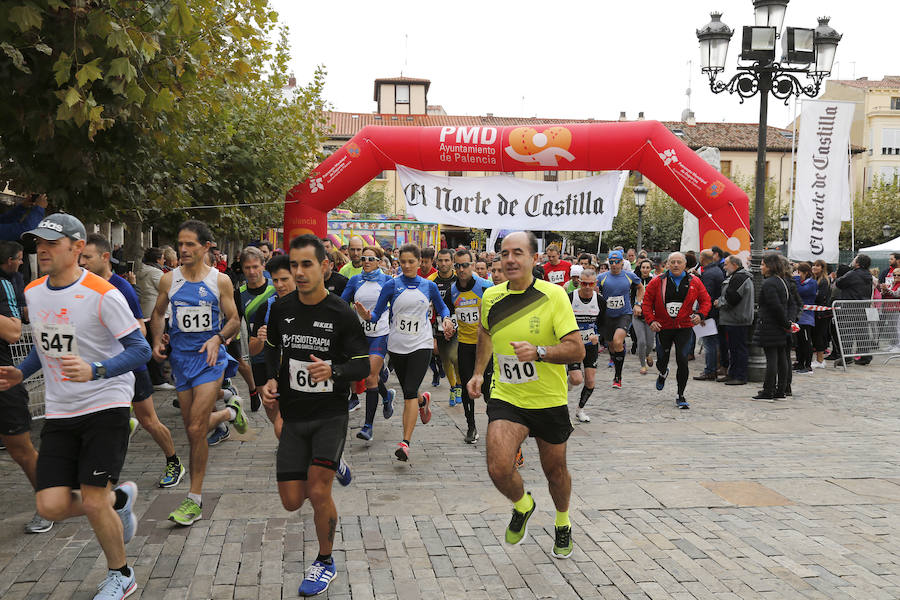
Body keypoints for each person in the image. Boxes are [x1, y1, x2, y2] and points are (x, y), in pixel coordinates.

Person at [0, 213, 150, 598]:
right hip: (61, 410)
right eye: (39, 243)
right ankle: (120, 499)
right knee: (50, 505)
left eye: (51, 243)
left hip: (107, 403)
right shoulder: (34, 291)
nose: (42, 250)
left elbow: (140, 349)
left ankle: (122, 574)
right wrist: (21, 372)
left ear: (77, 247)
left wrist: (97, 369)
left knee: (93, 497)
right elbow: (46, 344)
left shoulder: (103, 293)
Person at [259, 235, 367, 596]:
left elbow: (362, 365)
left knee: (319, 490)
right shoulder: (281, 308)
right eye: (295, 265)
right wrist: (270, 379)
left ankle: (324, 561)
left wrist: (333, 371)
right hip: (293, 416)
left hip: (330, 415)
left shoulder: (341, 312)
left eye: (307, 264)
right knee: (292, 500)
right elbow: (272, 349)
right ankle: (332, 463)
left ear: (325, 266)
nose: (300, 272)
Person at [466, 231, 583, 559]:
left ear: (534, 258)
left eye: (518, 253)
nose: (510, 259)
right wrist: (478, 372)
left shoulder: (553, 296)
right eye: (504, 253)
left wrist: (541, 352)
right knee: (498, 467)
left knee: (555, 471)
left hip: (548, 399)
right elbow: (486, 333)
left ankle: (562, 522)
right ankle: (523, 504)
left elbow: (576, 348)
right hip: (507, 397)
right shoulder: (491, 296)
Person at [150, 220, 246, 526]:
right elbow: (158, 313)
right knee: (197, 426)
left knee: (193, 429)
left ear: (206, 247)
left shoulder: (220, 281)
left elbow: (233, 318)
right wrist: (157, 338)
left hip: (210, 360)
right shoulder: (169, 280)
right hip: (181, 361)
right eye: (180, 244)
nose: (183, 249)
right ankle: (230, 413)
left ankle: (194, 499)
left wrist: (217, 338)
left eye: (190, 244)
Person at [81, 234, 184, 488]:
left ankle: (174, 462)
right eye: (79, 257)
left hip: (129, 368)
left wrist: (113, 333)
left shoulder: (121, 287)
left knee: (149, 421)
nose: (81, 262)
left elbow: (142, 331)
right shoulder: (80, 287)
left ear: (105, 258)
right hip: (98, 370)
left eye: (87, 257)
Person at [357, 244, 454, 461]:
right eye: (403, 262)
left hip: (421, 344)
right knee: (409, 388)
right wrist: (366, 316)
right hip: (397, 346)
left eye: (412, 261)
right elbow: (377, 315)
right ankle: (423, 401)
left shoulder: (428, 286)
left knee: (409, 390)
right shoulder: (391, 285)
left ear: (419, 262)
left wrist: (446, 319)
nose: (407, 265)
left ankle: (405, 443)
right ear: (398, 263)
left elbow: (443, 308)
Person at [0, 239, 49, 533]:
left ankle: (48, 503)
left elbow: (15, 332)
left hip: (4, 380)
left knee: (20, 449)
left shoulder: (3, 283)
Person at [642, 252, 711, 409]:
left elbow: (706, 300)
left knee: (682, 359)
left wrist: (700, 315)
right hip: (663, 327)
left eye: (679, 262)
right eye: (672, 262)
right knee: (662, 360)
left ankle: (681, 395)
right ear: (667, 264)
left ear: (685, 265)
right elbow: (647, 303)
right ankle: (662, 372)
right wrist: (651, 320)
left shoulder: (695, 281)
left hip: (684, 327)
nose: (675, 265)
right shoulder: (657, 282)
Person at [342, 246, 396, 441]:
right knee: (366, 375)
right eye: (363, 258)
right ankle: (386, 396)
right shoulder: (355, 280)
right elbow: (342, 303)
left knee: (370, 377)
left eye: (371, 259)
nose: (365, 261)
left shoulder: (388, 281)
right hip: (360, 335)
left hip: (380, 334)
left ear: (379, 261)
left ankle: (368, 427)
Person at [444, 248, 493, 443]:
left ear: (473, 266)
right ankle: (471, 426)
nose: (461, 269)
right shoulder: (452, 290)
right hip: (464, 345)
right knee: (466, 388)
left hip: (486, 346)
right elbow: (446, 312)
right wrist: (447, 323)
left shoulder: (486, 287)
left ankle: (494, 425)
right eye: (458, 266)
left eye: (465, 265)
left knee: (488, 389)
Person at [248, 255, 296, 439]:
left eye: (284, 279)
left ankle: (292, 449)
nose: (279, 285)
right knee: (273, 413)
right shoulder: (266, 307)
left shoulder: (310, 305)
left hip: (298, 370)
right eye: (275, 280)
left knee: (284, 422)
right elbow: (252, 350)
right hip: (267, 367)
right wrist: (260, 339)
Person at [235, 246, 276, 412]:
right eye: (247, 267)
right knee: (269, 405)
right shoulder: (239, 294)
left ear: (263, 266)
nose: (251, 272)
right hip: (257, 356)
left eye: (255, 267)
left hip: (279, 355)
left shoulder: (276, 288)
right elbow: (235, 322)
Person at [598, 250, 644, 389]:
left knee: (618, 342)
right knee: (611, 345)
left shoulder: (630, 276)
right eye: (611, 262)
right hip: (607, 316)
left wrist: (638, 303)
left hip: (624, 314)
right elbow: (594, 293)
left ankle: (618, 377)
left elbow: (640, 288)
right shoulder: (602, 277)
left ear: (622, 263)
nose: (614, 265)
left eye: (617, 262)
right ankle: (616, 355)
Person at [753, 254, 792, 400]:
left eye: (763, 264)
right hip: (779, 325)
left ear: (769, 266)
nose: (761, 267)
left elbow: (775, 306)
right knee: (781, 358)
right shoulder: (782, 281)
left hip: (771, 325)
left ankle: (769, 389)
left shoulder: (769, 283)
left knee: (772, 359)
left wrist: (785, 323)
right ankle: (780, 389)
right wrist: (787, 323)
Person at [567, 267, 604, 422]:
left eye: (590, 284)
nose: (587, 287)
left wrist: (599, 335)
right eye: (584, 284)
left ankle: (580, 410)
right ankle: (567, 381)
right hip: (574, 345)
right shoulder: (570, 298)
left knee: (589, 380)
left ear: (595, 283)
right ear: (579, 283)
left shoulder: (600, 300)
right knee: (576, 379)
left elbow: (604, 323)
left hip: (590, 345)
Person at [136, 247, 172, 389]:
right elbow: (167, 290)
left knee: (151, 344)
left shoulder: (140, 271)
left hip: (145, 312)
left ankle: (155, 377)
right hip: (157, 312)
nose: (164, 260)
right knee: (159, 344)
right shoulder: (156, 272)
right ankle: (159, 379)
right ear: (158, 259)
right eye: (163, 258)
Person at [428, 249, 461, 404]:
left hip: (459, 323)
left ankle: (459, 385)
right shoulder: (431, 280)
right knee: (445, 358)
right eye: (440, 260)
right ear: (437, 262)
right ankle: (453, 387)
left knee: (456, 357)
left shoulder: (459, 277)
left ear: (452, 262)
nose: (443, 264)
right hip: (439, 324)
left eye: (447, 260)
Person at [715, 255, 754, 385]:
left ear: (734, 265)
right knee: (734, 348)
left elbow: (732, 299)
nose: (724, 267)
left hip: (737, 319)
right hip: (735, 318)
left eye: (726, 264)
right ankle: (733, 374)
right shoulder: (738, 276)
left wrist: (719, 302)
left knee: (738, 349)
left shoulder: (739, 277)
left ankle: (740, 376)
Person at [834, 254, 875, 366]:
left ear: (858, 263)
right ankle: (865, 356)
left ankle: (846, 357)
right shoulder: (868, 275)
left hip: (849, 306)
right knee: (862, 332)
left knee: (846, 333)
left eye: (854, 260)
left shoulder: (853, 274)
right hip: (862, 307)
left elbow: (839, 283)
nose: (853, 261)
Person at [693, 250, 725, 381]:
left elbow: (706, 297)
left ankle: (710, 370)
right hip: (714, 313)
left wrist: (701, 315)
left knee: (709, 342)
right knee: (712, 342)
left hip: (709, 314)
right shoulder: (716, 270)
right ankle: (712, 369)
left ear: (702, 258)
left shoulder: (709, 274)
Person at [793, 263, 817, 374]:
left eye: (799, 272)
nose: (798, 275)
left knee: (806, 342)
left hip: (807, 317)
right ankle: (800, 362)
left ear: (805, 273)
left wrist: (796, 279)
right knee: (799, 342)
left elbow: (800, 291)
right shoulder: (802, 282)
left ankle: (808, 365)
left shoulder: (812, 283)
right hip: (799, 316)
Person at [632, 259, 655, 375]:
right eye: (643, 267)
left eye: (647, 267)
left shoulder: (654, 281)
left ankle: (647, 354)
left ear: (651, 269)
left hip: (651, 315)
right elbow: (630, 296)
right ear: (640, 268)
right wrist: (634, 306)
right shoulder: (635, 281)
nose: (645, 270)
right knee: (641, 342)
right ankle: (643, 365)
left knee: (650, 343)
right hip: (637, 316)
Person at [810, 260, 833, 368]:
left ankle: (820, 360)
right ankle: (819, 359)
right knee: (817, 335)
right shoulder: (816, 279)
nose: (814, 267)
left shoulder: (824, 281)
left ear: (822, 268)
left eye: (817, 266)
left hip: (821, 313)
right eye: (814, 265)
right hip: (817, 311)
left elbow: (820, 296)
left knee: (819, 335)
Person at [0, 240, 26, 322]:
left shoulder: (17, 278)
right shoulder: (4, 283)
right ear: (10, 261)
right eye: (19, 259)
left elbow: (21, 303)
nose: (21, 262)